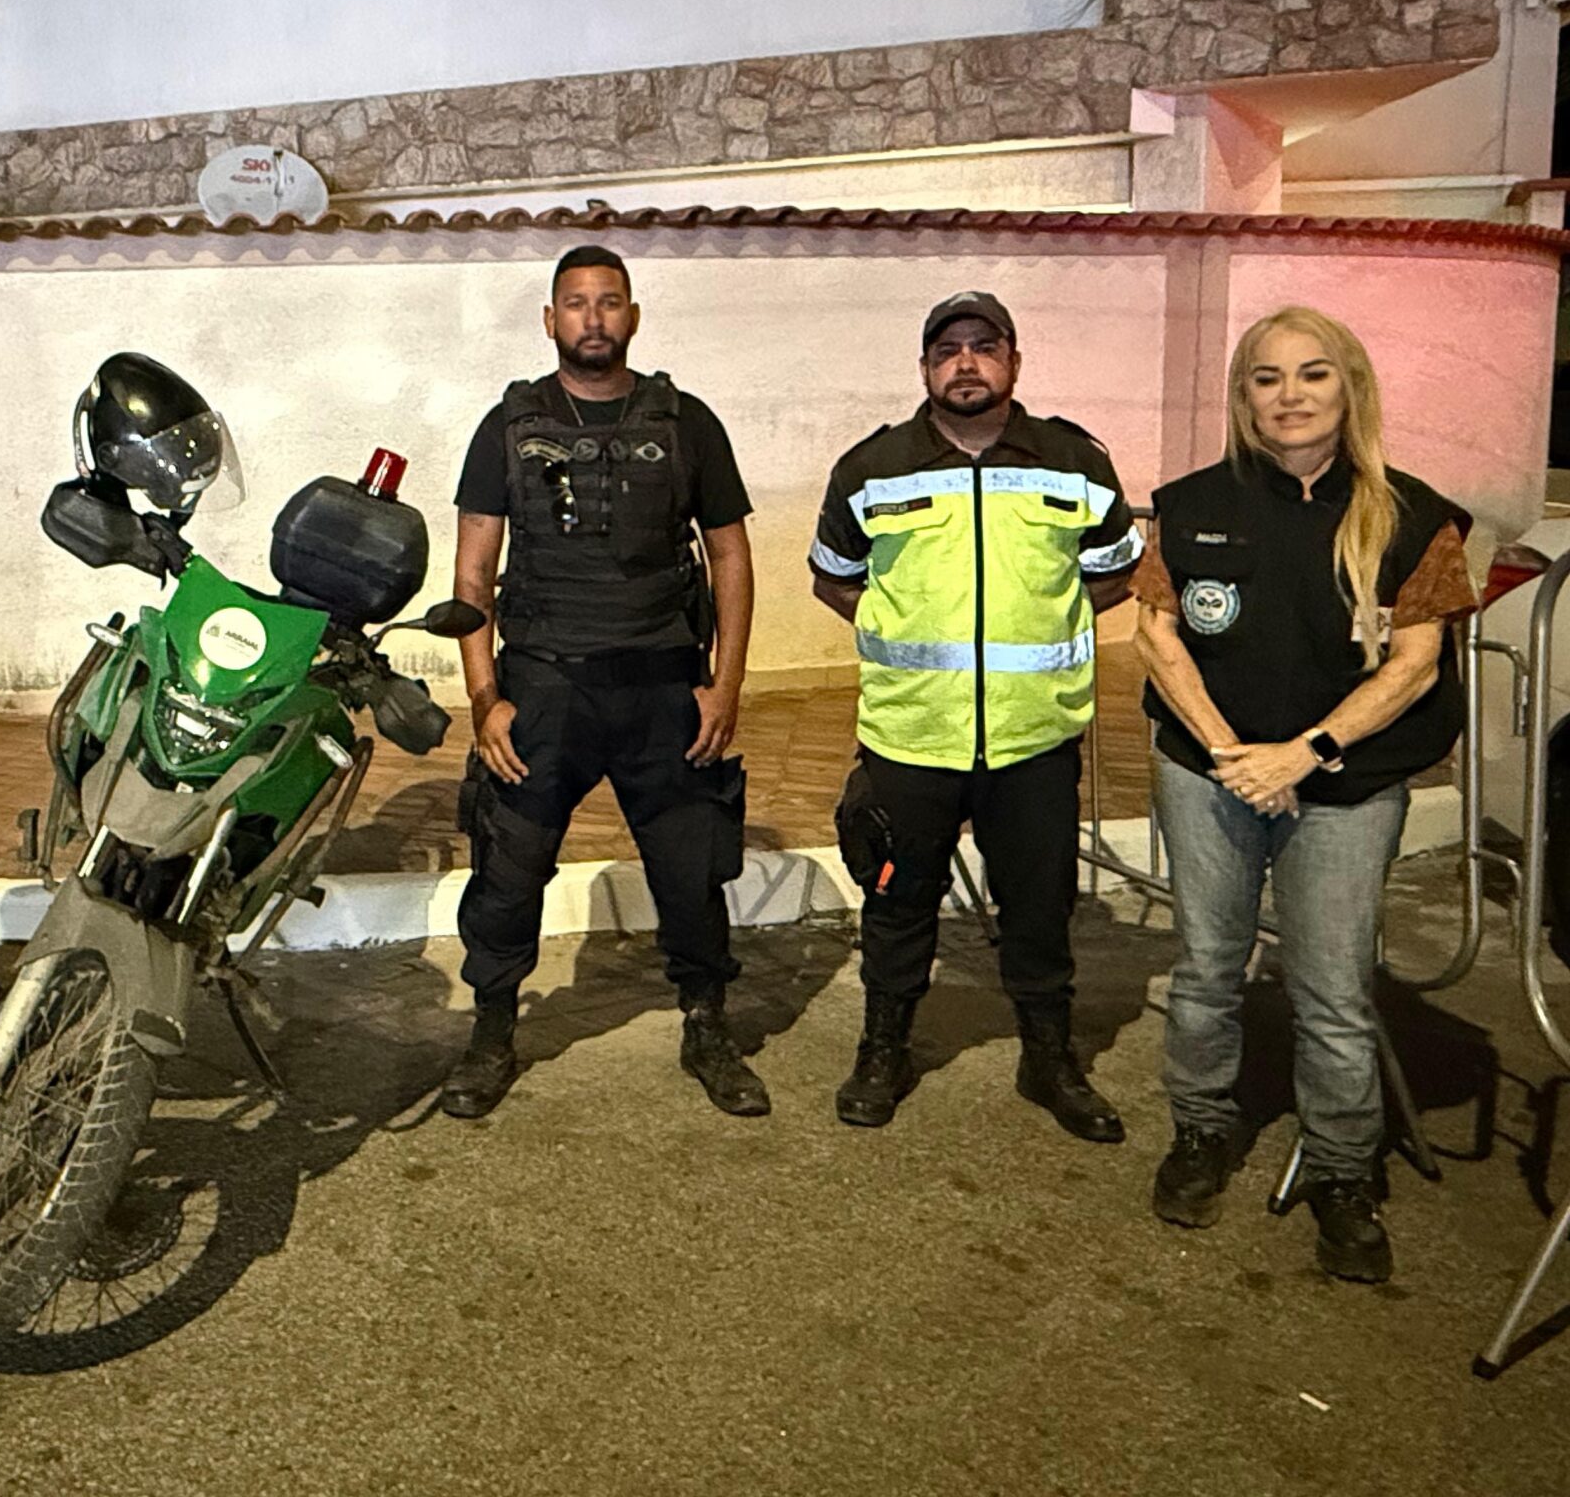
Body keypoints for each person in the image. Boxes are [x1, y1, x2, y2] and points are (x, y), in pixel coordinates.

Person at [1133, 306, 1474, 1283]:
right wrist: (1230, 752)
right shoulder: (1190, 505)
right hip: (1210, 774)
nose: (1289, 396)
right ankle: (1201, 1131)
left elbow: (1415, 664)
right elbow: (1156, 635)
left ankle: (1340, 1171)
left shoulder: (1414, 517)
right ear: (1243, 397)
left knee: (1331, 990)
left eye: (1312, 374)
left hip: (1346, 787)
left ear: (1349, 387)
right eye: (1267, 377)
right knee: (1208, 969)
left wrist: (1302, 754)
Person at [440, 244, 762, 1119]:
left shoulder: (687, 423)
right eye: (576, 303)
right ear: (551, 320)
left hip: (665, 690)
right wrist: (484, 699)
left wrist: (727, 686)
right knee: (508, 870)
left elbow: (730, 556)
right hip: (545, 690)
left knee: (691, 873)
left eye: (609, 301)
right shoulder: (507, 428)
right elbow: (472, 575)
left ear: (634, 316)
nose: (593, 317)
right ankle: (492, 1033)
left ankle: (707, 1024)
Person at [808, 291, 1139, 1139]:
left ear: (1013, 362)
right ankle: (884, 1050)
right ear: (924, 368)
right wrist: (903, 632)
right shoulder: (872, 467)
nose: (965, 363)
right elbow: (834, 577)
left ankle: (1050, 1058)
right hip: (911, 733)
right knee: (897, 902)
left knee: (1040, 906)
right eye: (947, 350)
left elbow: (1113, 571)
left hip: (1034, 736)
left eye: (984, 347)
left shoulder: (1074, 460)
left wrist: (1040, 630)